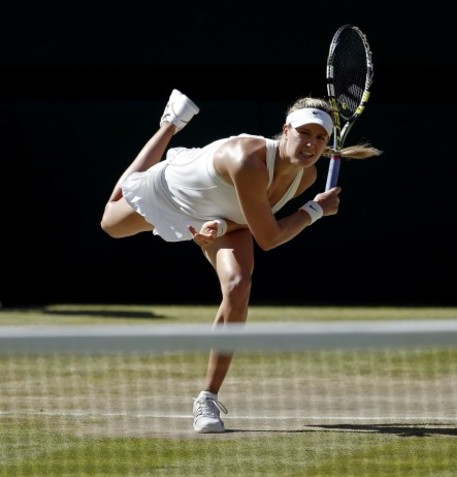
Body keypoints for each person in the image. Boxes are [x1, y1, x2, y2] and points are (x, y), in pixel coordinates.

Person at [100, 89, 382, 433]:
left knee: (238, 285)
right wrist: (315, 211)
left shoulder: (305, 177)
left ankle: (207, 398)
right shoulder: (246, 161)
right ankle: (170, 125)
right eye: (304, 133)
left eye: (320, 138)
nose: (311, 144)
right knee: (111, 223)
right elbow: (269, 238)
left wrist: (219, 226)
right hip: (174, 193)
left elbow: (252, 222)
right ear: (286, 129)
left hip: (224, 216)